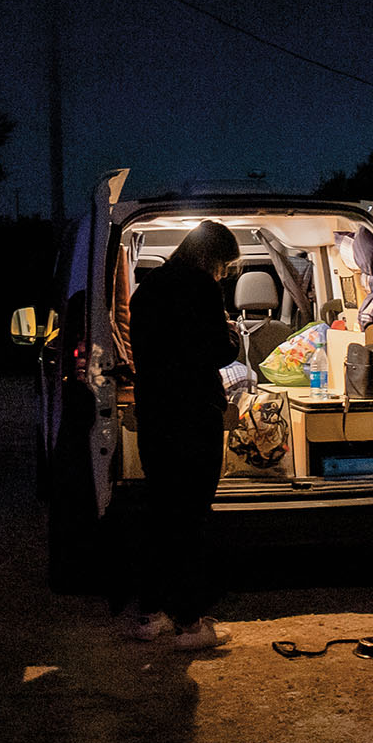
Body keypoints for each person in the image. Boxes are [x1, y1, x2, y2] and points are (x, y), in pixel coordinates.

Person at [120, 218, 240, 649]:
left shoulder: (147, 290)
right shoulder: (201, 288)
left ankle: (149, 615)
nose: (225, 273)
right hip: (193, 415)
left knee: (162, 514)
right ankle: (190, 624)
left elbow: (145, 351)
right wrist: (230, 334)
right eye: (225, 264)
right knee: (190, 518)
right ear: (213, 257)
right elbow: (218, 351)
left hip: (156, 416)